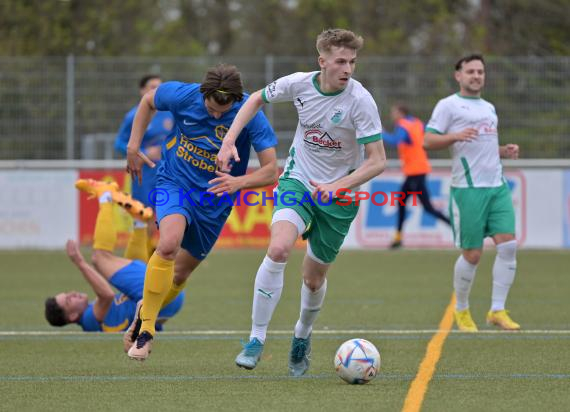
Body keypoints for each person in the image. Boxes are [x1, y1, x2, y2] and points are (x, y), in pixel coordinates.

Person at [217, 28, 386, 376]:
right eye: (341, 61)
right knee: (278, 249)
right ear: (322, 61)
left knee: (312, 279)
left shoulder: (360, 101)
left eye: (352, 62)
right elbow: (254, 99)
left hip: (340, 197)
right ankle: (255, 339)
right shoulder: (298, 84)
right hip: (299, 180)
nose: (348, 69)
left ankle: (301, 336)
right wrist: (229, 140)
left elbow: (378, 160)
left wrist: (338, 186)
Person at [124, 64, 278, 360]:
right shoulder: (183, 95)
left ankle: (144, 310)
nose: (217, 116)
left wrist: (239, 182)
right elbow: (147, 102)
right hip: (174, 181)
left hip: (215, 200)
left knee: (180, 273)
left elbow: (271, 170)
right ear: (203, 94)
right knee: (168, 244)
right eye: (211, 109)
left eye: (224, 112)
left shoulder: (251, 114)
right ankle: (146, 332)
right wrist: (133, 146)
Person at [424, 54, 521, 332]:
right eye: (470, 71)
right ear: (459, 76)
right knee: (473, 254)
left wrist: (503, 151)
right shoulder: (448, 106)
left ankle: (497, 310)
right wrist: (454, 136)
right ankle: (462, 310)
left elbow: (483, 146)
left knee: (508, 245)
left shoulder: (489, 108)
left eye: (480, 71)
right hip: (468, 189)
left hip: (497, 185)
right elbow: (427, 140)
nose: (476, 76)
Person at [44, 179, 184, 335]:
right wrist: (79, 261)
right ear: (72, 316)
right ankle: (105, 196)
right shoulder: (89, 321)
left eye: (68, 293)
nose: (72, 293)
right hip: (160, 297)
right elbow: (107, 295)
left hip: (164, 301)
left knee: (131, 267)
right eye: (69, 300)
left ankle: (140, 223)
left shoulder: (99, 315)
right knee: (99, 258)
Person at [115, 75, 174, 261]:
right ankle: (142, 260)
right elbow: (119, 144)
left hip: (169, 173)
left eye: (160, 87)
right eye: (152, 87)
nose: (157, 91)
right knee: (145, 218)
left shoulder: (171, 113)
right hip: (144, 176)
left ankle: (161, 256)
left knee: (169, 216)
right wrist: (144, 151)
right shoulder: (133, 116)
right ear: (142, 91)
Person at [382, 103, 451, 249]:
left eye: (394, 112)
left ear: (401, 113)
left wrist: (378, 133)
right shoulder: (417, 123)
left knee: (427, 208)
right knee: (401, 202)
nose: (392, 115)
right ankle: (398, 238)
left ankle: (457, 228)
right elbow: (430, 134)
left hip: (415, 172)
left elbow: (395, 141)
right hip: (418, 170)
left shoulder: (403, 125)